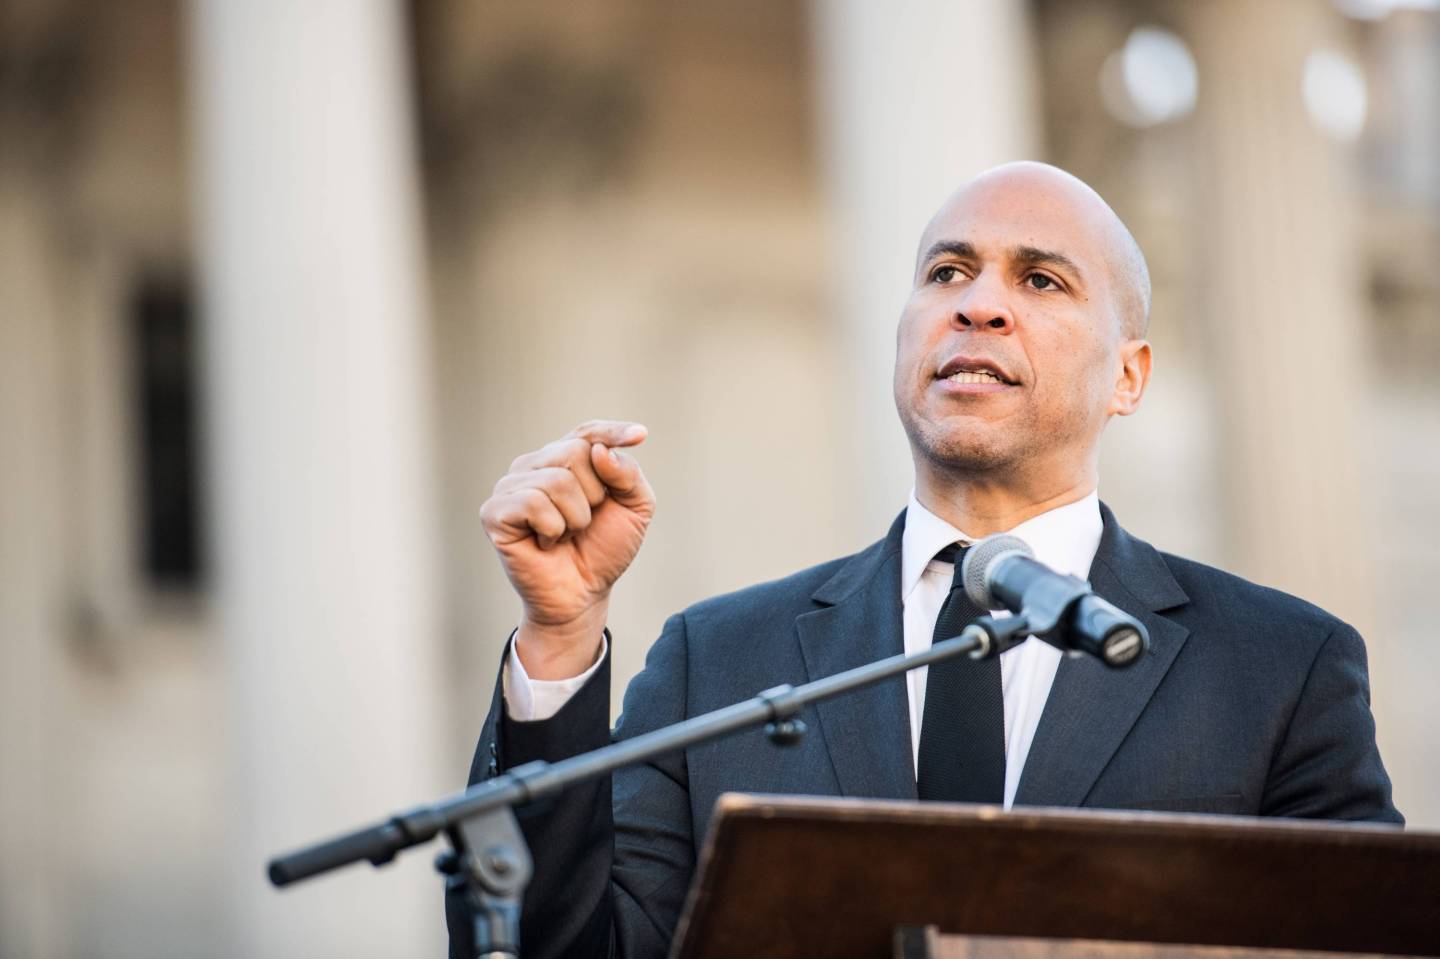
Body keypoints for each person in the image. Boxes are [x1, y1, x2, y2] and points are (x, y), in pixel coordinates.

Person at [447, 162, 1401, 958]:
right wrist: (562, 636)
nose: (978, 304)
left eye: (1040, 280)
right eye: (947, 272)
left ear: (1128, 375)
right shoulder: (717, 661)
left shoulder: (1277, 666)